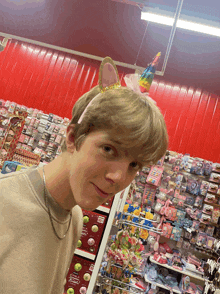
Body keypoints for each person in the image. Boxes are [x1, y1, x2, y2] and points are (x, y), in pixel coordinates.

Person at [0, 57, 168, 294]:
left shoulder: (74, 217)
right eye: (109, 149)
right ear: (72, 137)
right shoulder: (4, 204)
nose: (119, 177)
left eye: (134, 164)